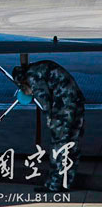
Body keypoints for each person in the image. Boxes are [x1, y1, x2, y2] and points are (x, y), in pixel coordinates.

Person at [12, 60, 85, 191]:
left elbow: (44, 100)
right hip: (75, 99)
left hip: (63, 104)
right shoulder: (39, 67)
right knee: (73, 142)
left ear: (23, 82)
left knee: (59, 143)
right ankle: (67, 181)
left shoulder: (32, 76)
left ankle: (54, 184)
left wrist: (49, 118)